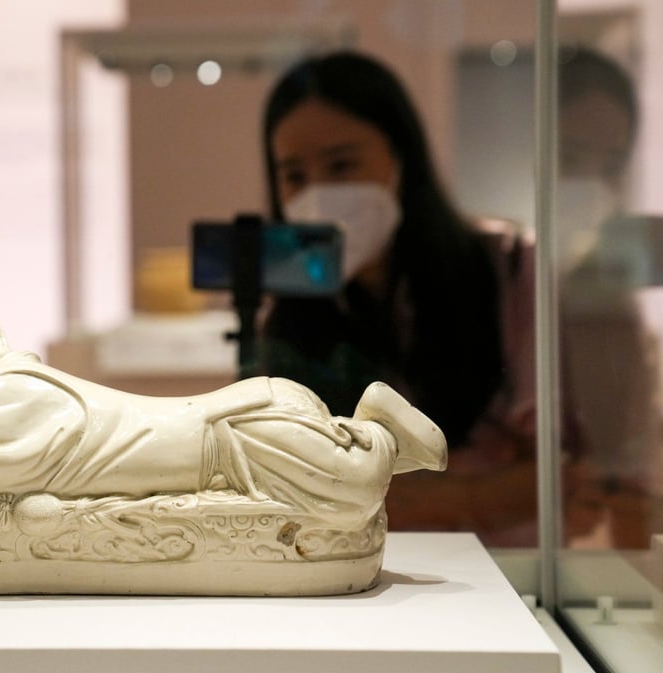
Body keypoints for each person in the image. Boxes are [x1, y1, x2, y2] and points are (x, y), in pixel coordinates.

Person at [0, 285, 447, 533]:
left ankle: (379, 430)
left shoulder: (13, 395)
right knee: (341, 491)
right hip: (233, 432)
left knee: (353, 492)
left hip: (230, 437)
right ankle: (360, 432)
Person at [254, 51, 538, 546]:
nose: (318, 193)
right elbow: (277, 477)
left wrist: (383, 494)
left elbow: (557, 473)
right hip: (343, 568)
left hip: (501, 571)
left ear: (401, 158)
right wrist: (479, 492)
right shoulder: (286, 308)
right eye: (295, 176)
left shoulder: (506, 264)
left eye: (343, 164)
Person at [557, 45, 663, 548]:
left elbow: (630, 450)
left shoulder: (612, 284)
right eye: (569, 156)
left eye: (611, 162)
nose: (591, 179)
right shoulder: (497, 269)